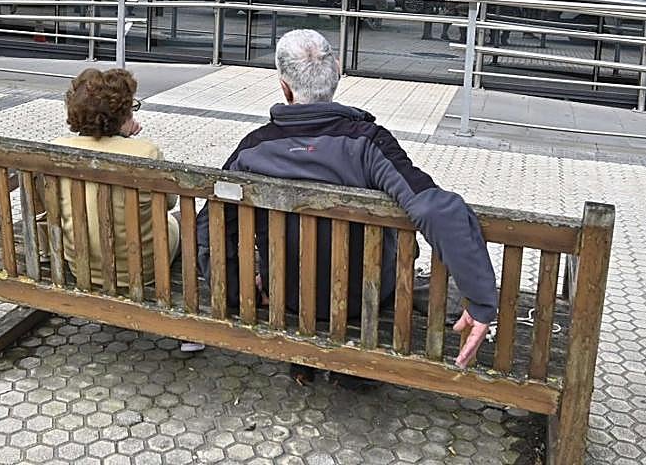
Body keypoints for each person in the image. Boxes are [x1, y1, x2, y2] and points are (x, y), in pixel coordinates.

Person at [197, 29, 497, 385]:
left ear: (285, 87)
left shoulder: (254, 149)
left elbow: (211, 225)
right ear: (337, 72)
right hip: (364, 300)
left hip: (288, 295)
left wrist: (239, 292)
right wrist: (480, 302)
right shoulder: (368, 143)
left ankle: (308, 353)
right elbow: (435, 209)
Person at [52, 69, 180, 291]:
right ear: (123, 114)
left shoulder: (57, 149)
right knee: (178, 219)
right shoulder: (146, 153)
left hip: (81, 266)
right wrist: (126, 140)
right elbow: (169, 202)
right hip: (141, 271)